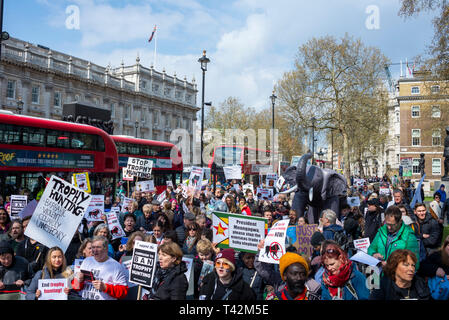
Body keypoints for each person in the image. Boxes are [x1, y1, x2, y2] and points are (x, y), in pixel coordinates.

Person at [72, 236, 128, 300]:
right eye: (93, 247)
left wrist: (105, 287)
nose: (95, 250)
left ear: (106, 249)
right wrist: (78, 281)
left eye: (98, 247)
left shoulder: (116, 266)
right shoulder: (86, 261)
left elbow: (123, 292)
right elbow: (76, 287)